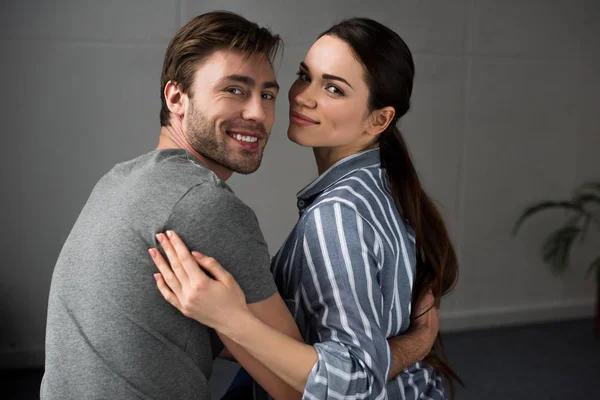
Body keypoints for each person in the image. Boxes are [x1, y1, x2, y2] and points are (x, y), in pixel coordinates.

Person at [41, 11, 438, 400]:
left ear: (379, 119)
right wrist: (416, 344)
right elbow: (292, 389)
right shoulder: (206, 205)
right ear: (176, 97)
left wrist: (230, 319)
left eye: (267, 93)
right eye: (234, 89)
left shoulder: (117, 180)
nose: (260, 112)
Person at [149, 17, 461, 400]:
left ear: (379, 119)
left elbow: (355, 381)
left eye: (333, 88)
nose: (301, 96)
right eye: (304, 76)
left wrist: (231, 319)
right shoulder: (382, 187)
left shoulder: (340, 213)